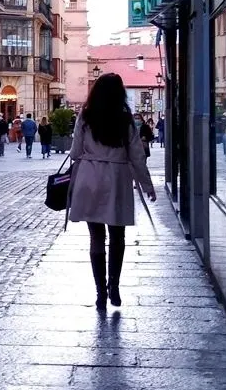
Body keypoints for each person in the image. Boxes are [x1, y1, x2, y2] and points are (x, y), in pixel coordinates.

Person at [68, 73, 156, 311]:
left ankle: (100, 292)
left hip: (90, 177)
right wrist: (147, 186)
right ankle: (114, 287)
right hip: (117, 179)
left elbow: (75, 151)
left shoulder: (85, 116)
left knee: (96, 237)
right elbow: (137, 155)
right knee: (117, 237)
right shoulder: (125, 118)